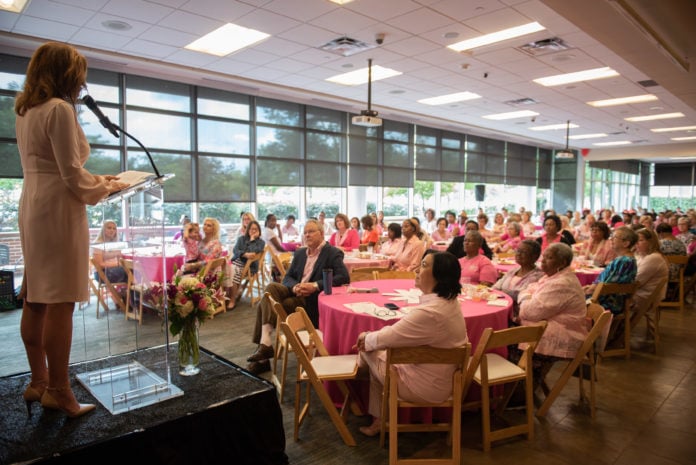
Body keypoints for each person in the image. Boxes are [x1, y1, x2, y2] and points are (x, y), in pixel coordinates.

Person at [15, 42, 128, 418]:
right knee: (60, 301)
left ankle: (38, 381)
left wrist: (99, 179)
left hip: (34, 204)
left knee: (35, 296)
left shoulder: (26, 110)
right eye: (78, 76)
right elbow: (70, 174)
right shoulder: (60, 109)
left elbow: (54, 167)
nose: (82, 85)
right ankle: (61, 391)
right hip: (59, 211)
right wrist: (107, 187)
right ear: (65, 74)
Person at [354, 250, 468, 437]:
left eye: (423, 266)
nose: (416, 269)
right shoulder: (449, 302)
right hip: (443, 380)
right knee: (376, 354)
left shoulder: (430, 312)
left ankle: (360, 380)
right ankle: (378, 419)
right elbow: (399, 334)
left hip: (425, 387)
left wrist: (365, 337)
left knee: (369, 350)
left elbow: (389, 337)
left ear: (439, 276)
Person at [246, 219, 349, 375]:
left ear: (321, 233)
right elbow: (287, 278)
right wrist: (295, 287)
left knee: (266, 302)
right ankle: (265, 344)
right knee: (270, 289)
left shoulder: (332, 253)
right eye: (305, 232)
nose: (307, 235)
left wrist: (314, 285)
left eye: (311, 231)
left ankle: (263, 354)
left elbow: (343, 277)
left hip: (311, 299)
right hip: (295, 291)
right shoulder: (300, 253)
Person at [514, 243, 588, 387]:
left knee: (507, 340)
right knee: (509, 331)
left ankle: (521, 389)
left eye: (549, 258)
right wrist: (528, 296)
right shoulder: (554, 276)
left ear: (562, 263)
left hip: (563, 334)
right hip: (554, 326)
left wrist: (524, 297)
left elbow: (528, 311)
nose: (543, 260)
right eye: (544, 256)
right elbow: (530, 288)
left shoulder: (561, 283)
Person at [583, 226, 638, 315]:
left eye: (614, 237)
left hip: (608, 303)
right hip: (610, 300)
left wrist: (589, 290)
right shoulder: (627, 260)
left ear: (626, 243)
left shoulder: (623, 261)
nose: (611, 239)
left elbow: (606, 287)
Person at [492, 239, 544, 322]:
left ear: (535, 256)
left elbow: (520, 295)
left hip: (518, 317)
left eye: (523, 252)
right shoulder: (513, 271)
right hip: (500, 308)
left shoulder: (538, 276)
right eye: (518, 250)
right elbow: (495, 287)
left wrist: (501, 292)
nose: (518, 254)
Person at [228, 220, 265, 310]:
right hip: (236, 261)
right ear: (248, 230)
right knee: (227, 271)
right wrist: (244, 254)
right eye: (252, 229)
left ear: (259, 231)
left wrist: (252, 240)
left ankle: (232, 300)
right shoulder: (241, 239)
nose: (253, 231)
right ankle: (229, 296)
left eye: (256, 229)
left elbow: (253, 253)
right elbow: (235, 250)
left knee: (234, 272)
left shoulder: (261, 242)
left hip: (249, 266)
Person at [633, 228, 669, 316]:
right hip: (639, 293)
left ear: (651, 242)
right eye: (635, 240)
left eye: (640, 240)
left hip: (644, 297)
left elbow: (636, 282)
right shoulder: (641, 255)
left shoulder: (654, 258)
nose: (636, 243)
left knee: (608, 297)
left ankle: (608, 326)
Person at [656, 222, 687, 301]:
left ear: (661, 233)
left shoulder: (659, 244)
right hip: (678, 273)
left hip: (663, 273)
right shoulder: (681, 243)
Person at [92, 220, 128, 285]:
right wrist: (119, 264)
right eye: (109, 228)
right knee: (132, 273)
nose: (112, 230)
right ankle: (133, 294)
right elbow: (100, 264)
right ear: (103, 229)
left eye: (114, 229)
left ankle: (127, 294)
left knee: (134, 271)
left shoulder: (114, 244)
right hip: (101, 273)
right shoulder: (98, 244)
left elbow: (120, 257)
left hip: (114, 269)